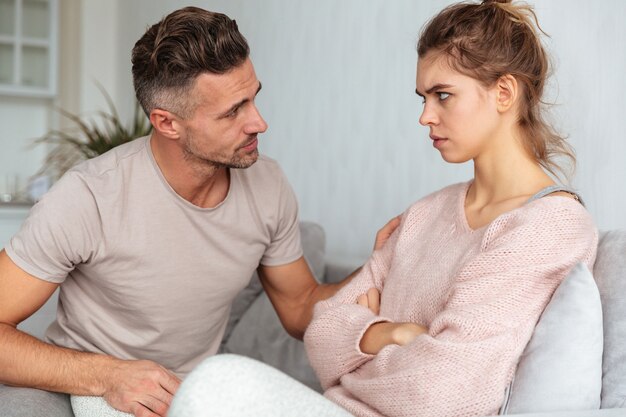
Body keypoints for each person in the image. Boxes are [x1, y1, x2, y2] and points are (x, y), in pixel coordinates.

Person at [165, 1, 598, 416]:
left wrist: (355, 356)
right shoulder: (425, 214)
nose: (425, 116)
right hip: (330, 407)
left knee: (216, 384)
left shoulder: (549, 225)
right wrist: (391, 333)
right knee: (212, 385)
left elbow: (443, 393)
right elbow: (320, 333)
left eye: (442, 95)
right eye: (422, 97)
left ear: (503, 92)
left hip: (346, 406)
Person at [0, 7, 396, 417]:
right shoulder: (87, 198)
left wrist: (381, 265)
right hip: (95, 387)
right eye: (232, 111)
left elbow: (300, 309)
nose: (259, 123)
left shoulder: (268, 184)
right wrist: (109, 375)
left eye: (254, 97)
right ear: (167, 123)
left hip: (197, 392)